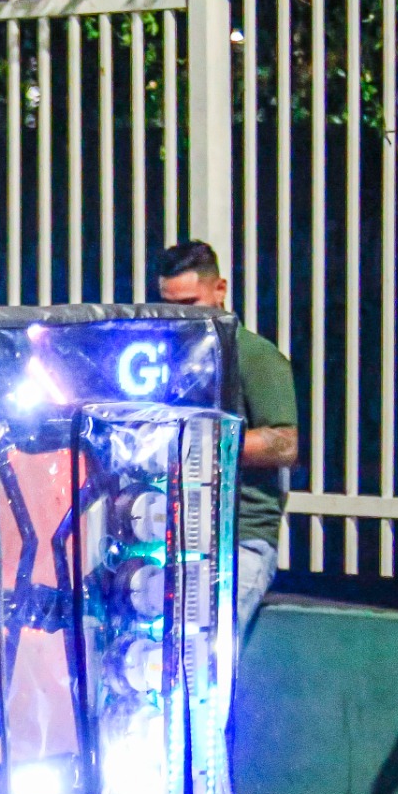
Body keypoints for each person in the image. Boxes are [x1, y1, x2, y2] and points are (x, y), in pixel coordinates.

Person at [157, 239, 301, 634]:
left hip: (241, 541)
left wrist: (199, 445)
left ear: (219, 290)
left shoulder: (255, 356)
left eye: (189, 304)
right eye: (168, 305)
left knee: (207, 641)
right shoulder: (161, 358)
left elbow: (284, 444)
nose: (177, 317)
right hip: (171, 540)